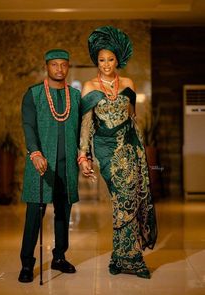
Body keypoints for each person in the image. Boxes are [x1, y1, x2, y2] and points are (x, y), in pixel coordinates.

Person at [78, 26, 157, 279]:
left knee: (128, 200)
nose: (106, 64)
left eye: (110, 59)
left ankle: (127, 258)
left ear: (118, 59)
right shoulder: (89, 86)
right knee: (122, 197)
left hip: (130, 147)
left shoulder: (129, 84)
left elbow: (133, 118)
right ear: (96, 61)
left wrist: (139, 149)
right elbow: (87, 124)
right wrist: (84, 155)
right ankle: (125, 257)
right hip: (106, 149)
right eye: (101, 60)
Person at [18, 49, 81, 283]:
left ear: (68, 67)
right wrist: (35, 152)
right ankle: (26, 263)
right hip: (41, 165)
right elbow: (28, 126)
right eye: (54, 65)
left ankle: (59, 257)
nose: (59, 69)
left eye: (63, 65)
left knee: (63, 213)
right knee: (34, 214)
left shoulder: (75, 96)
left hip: (66, 166)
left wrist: (84, 156)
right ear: (47, 66)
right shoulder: (33, 94)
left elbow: (83, 128)